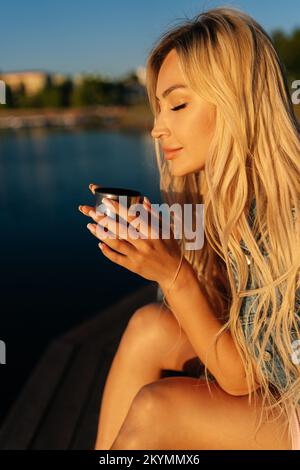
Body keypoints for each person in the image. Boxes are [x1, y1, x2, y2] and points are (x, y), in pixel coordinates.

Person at [79, 6, 300, 449]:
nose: (158, 129)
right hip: (278, 388)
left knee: (156, 411)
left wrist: (173, 273)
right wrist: (176, 242)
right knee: (148, 327)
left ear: (237, 99)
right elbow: (231, 321)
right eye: (159, 109)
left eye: (178, 104)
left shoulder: (287, 214)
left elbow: (244, 378)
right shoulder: (229, 201)